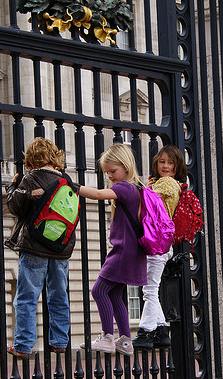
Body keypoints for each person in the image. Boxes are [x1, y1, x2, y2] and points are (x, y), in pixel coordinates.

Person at [4, 137, 80, 359]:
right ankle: (59, 341)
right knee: (59, 296)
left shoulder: (31, 178)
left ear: (31, 158)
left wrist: (12, 186)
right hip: (61, 249)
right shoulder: (67, 181)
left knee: (26, 298)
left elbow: (14, 207)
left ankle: (23, 345)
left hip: (35, 247)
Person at [77, 143, 147, 356]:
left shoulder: (125, 187)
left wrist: (73, 186)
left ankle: (107, 337)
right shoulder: (137, 188)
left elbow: (98, 194)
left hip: (123, 251)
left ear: (126, 167)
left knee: (98, 290)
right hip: (132, 252)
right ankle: (125, 340)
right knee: (115, 295)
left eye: (112, 171)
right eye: (107, 172)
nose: (110, 176)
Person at [133, 145, 187, 350]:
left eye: (170, 163)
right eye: (162, 161)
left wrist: (143, 186)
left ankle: (145, 332)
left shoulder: (167, 184)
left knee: (150, 290)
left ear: (177, 167)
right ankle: (162, 331)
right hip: (162, 244)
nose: (165, 166)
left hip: (157, 243)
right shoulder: (165, 184)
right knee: (151, 289)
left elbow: (142, 198)